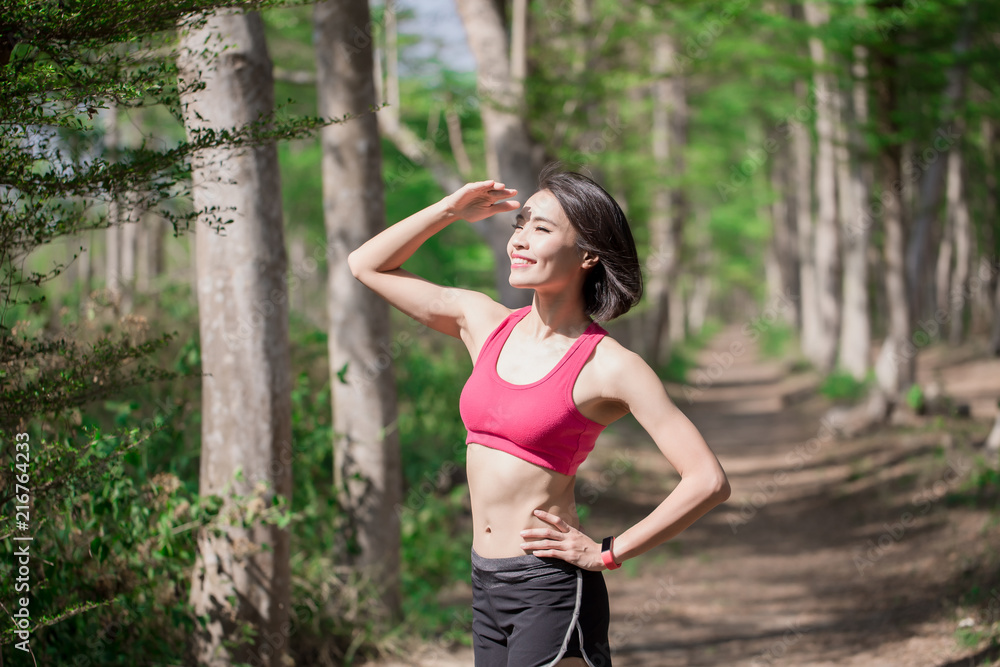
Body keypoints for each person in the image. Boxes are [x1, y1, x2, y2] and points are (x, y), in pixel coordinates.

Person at [348, 166, 731, 667]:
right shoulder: (482, 323)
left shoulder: (610, 365)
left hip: (548, 588)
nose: (520, 241)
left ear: (588, 254)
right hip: (484, 582)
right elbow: (366, 265)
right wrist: (449, 210)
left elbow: (707, 480)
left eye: (542, 228)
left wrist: (608, 552)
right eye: (520, 224)